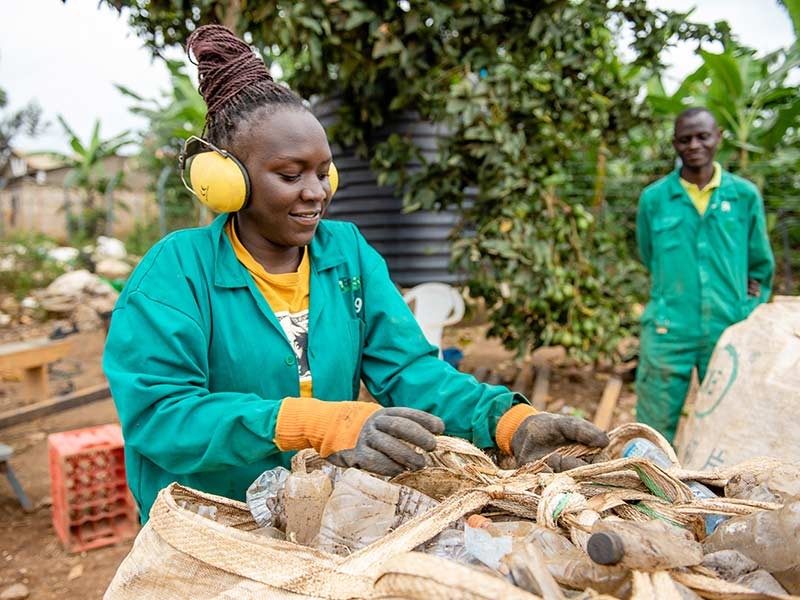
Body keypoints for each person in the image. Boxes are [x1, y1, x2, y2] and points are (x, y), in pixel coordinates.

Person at [103, 25, 608, 522]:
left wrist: (507, 421)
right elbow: (161, 414)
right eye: (290, 174)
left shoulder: (346, 252)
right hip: (214, 520)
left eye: (323, 172)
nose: (316, 192)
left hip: (315, 510)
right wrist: (318, 423)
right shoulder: (175, 273)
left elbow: (408, 370)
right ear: (227, 180)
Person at [635, 107, 774, 443]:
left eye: (702, 136)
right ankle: (653, 488)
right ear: (674, 144)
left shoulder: (743, 196)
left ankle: (724, 492)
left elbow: (759, 265)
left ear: (719, 138)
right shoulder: (654, 199)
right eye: (685, 139)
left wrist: (746, 309)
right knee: (653, 427)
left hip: (728, 326)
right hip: (669, 327)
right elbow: (648, 253)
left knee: (733, 420)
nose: (694, 145)